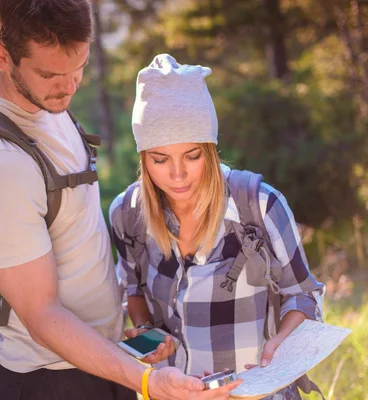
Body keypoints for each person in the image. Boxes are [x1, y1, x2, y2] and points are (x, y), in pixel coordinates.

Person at [0, 1, 241, 399]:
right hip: (47, 380)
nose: (68, 86)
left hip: (103, 362)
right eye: (50, 73)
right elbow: (41, 315)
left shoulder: (48, 105)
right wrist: (147, 382)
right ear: (2, 55)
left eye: (78, 67)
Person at [109, 54, 326, 399]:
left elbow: (303, 294)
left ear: (210, 150)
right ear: (143, 156)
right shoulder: (126, 213)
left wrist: (279, 346)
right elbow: (133, 292)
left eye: (192, 156)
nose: (177, 174)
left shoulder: (260, 205)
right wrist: (150, 338)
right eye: (160, 159)